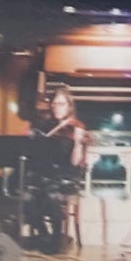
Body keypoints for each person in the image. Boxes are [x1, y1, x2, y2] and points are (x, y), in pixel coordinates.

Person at [27, 85, 89, 251]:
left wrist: (77, 144)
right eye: (54, 104)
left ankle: (56, 237)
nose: (56, 107)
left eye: (61, 104)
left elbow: (75, 163)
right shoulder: (46, 125)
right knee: (27, 197)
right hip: (47, 175)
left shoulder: (76, 127)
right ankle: (43, 234)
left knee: (51, 196)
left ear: (69, 106)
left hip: (66, 178)